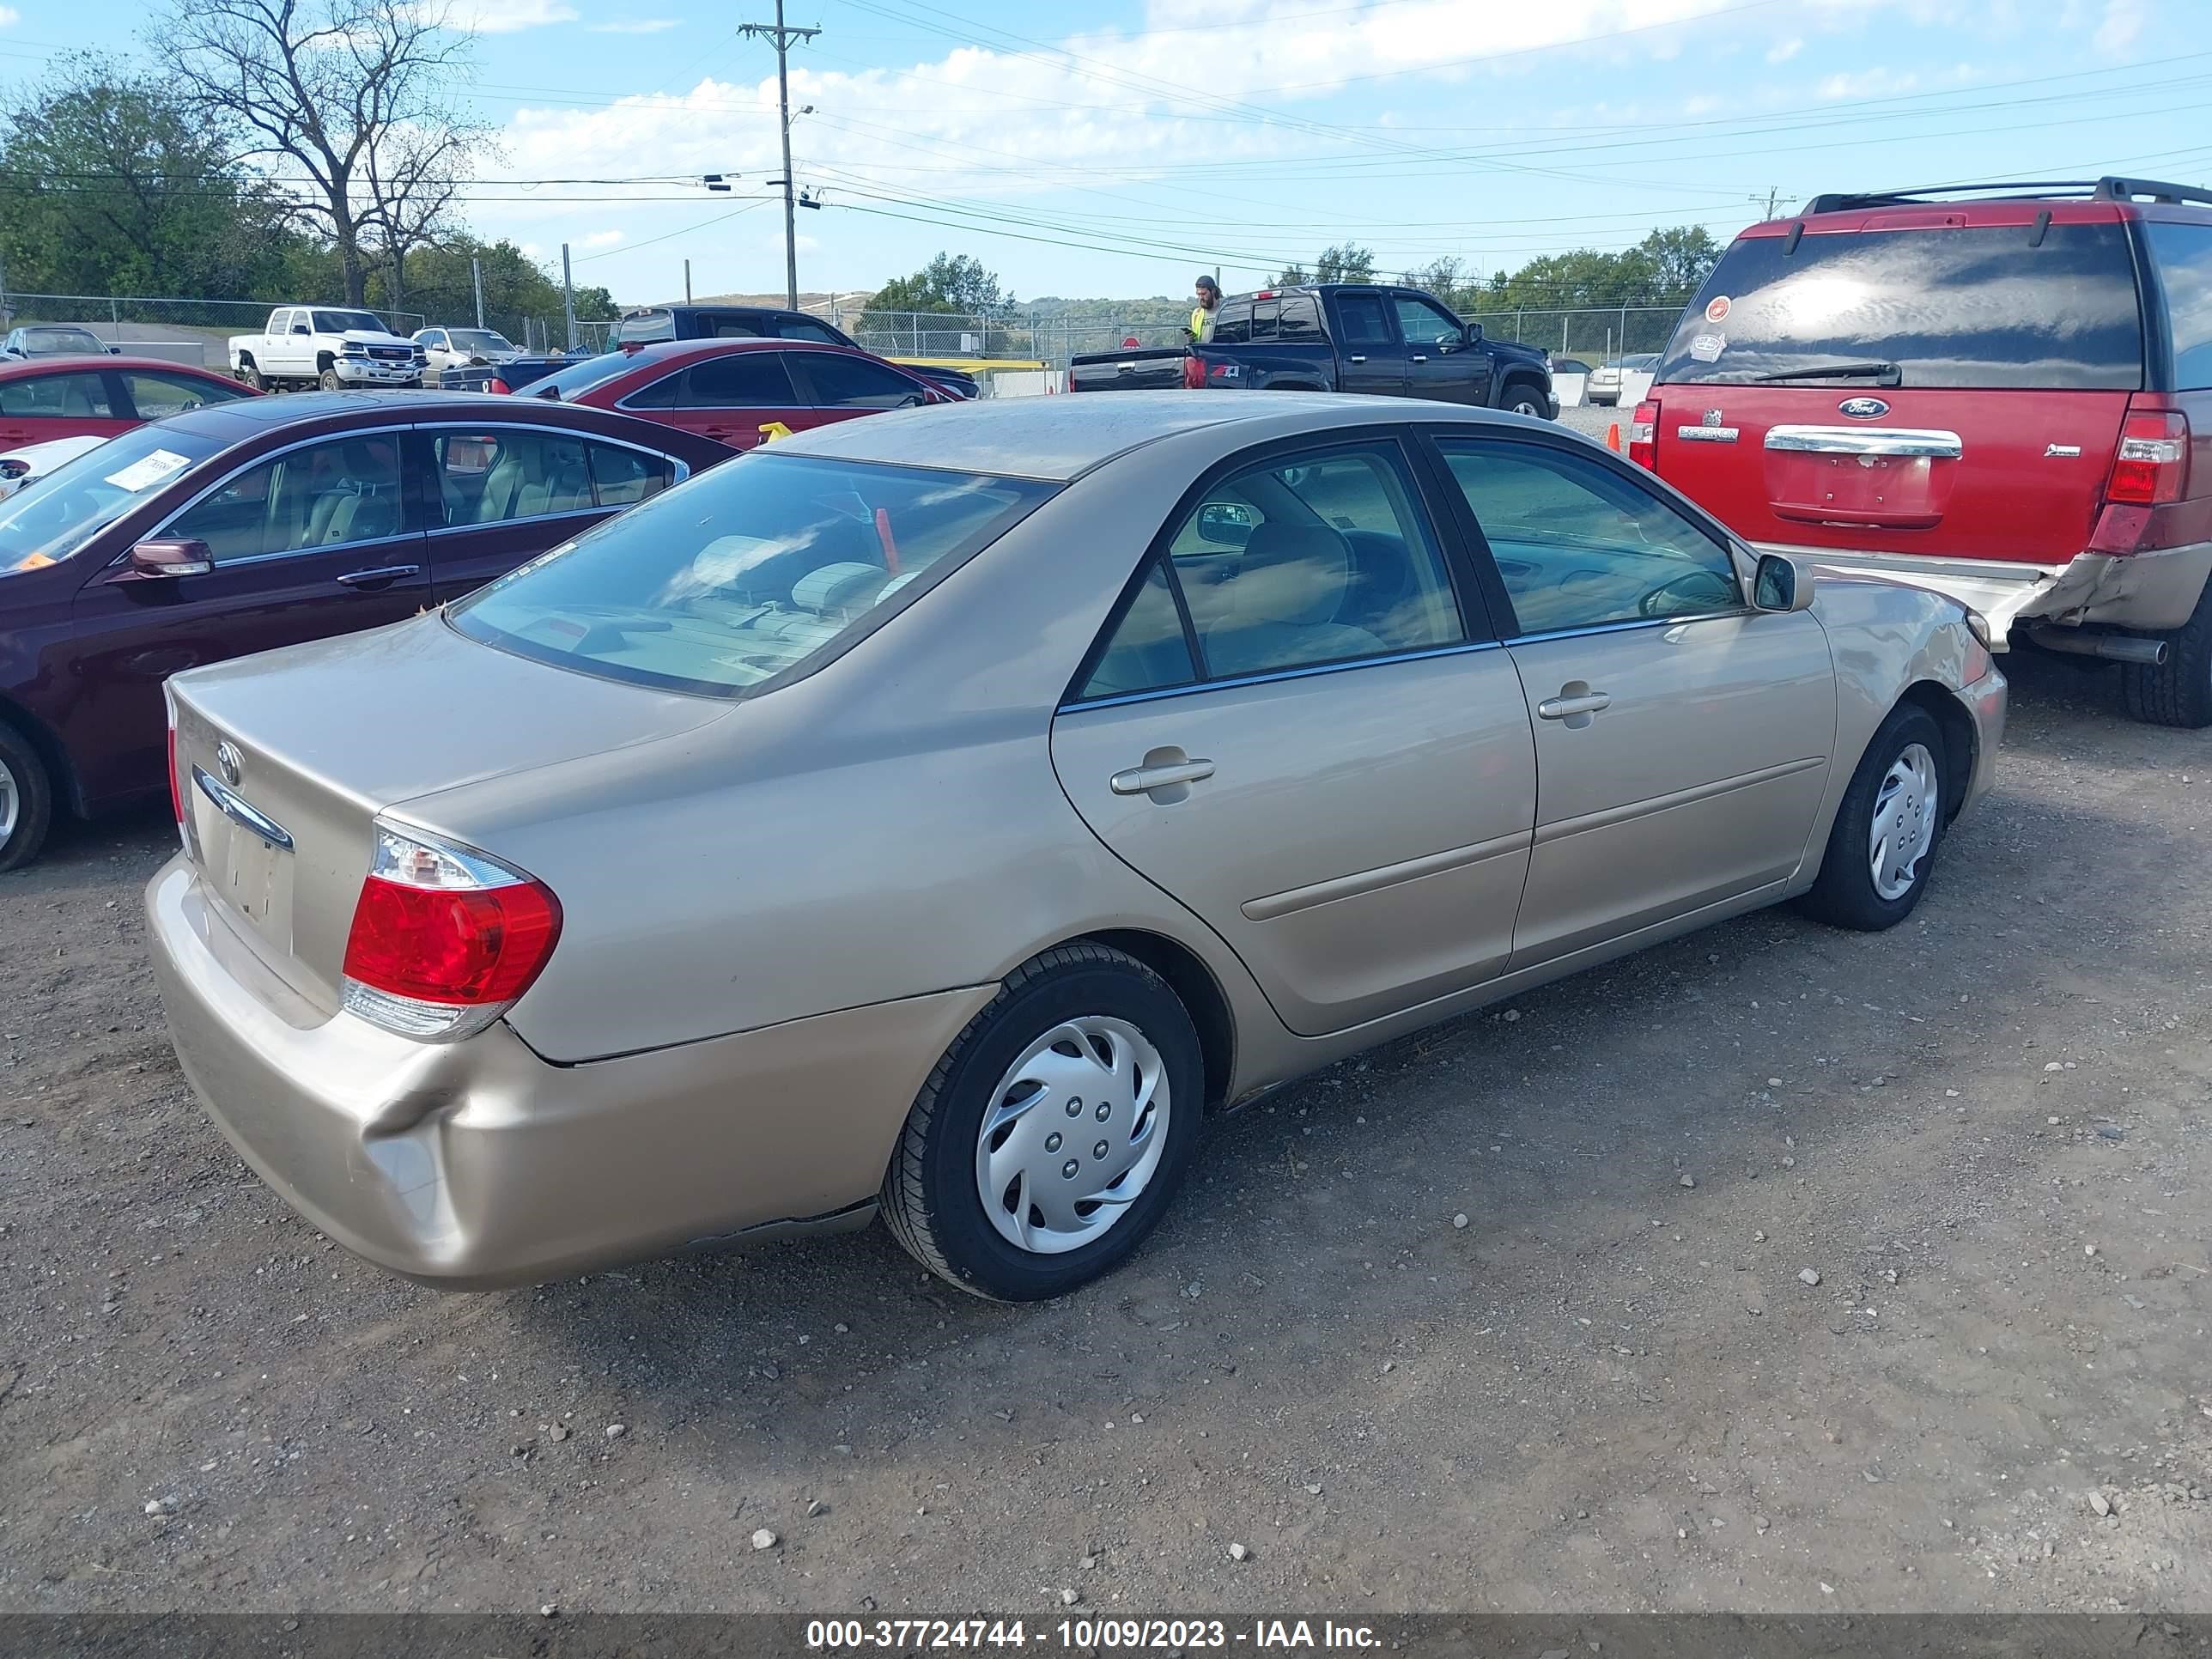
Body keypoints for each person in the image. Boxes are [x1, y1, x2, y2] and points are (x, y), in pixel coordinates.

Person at [1188, 274, 1221, 344]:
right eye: (1198, 294)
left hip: (1219, 353)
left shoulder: (1224, 311)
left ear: (1213, 291)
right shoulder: (1196, 314)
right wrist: (1191, 339)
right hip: (1202, 353)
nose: (1200, 298)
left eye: (1203, 294)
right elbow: (1196, 338)